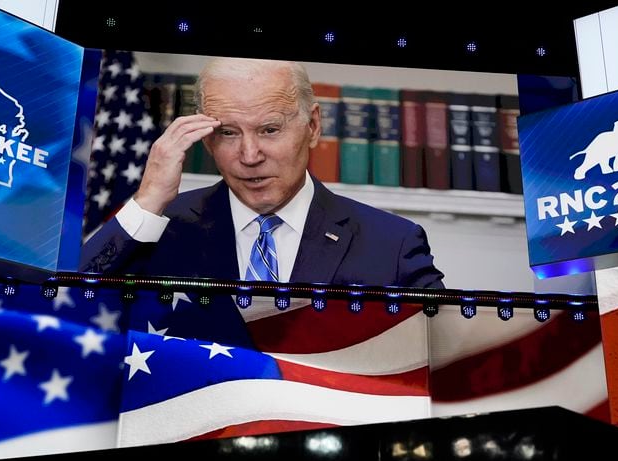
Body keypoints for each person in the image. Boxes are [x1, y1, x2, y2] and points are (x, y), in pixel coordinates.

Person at [80, 57, 445, 289]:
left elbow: (447, 364)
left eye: (270, 130)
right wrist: (148, 200)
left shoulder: (392, 245)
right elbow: (61, 306)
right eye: (228, 132)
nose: (249, 156)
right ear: (206, 140)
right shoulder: (158, 229)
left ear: (313, 126)